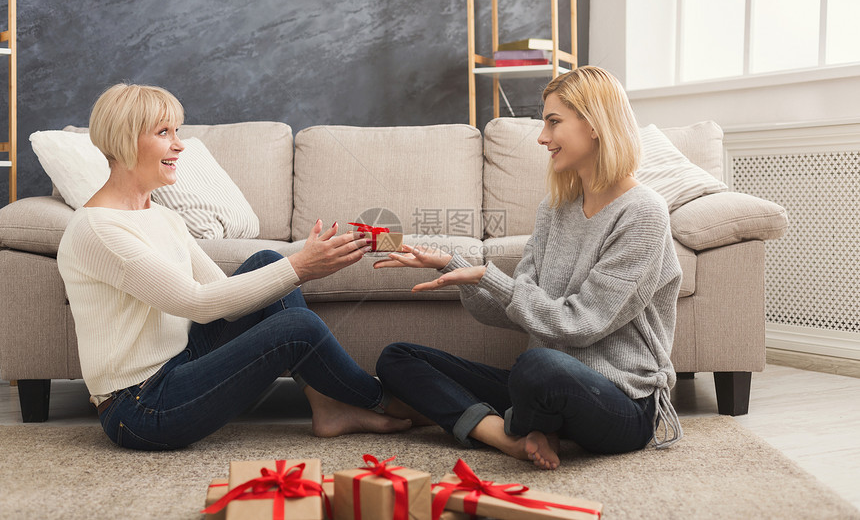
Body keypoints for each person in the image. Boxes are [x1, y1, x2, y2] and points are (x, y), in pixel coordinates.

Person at [57, 83, 411, 451]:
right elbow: (199, 304)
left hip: (179, 361)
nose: (180, 144)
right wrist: (301, 267)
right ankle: (384, 400)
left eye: (178, 130)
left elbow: (222, 298)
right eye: (164, 133)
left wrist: (296, 266)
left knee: (266, 263)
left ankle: (328, 407)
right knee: (297, 326)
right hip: (140, 406)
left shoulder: (161, 215)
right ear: (126, 141)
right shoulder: (98, 230)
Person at [374, 66, 683, 470]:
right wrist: (455, 266)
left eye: (553, 123)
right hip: (546, 389)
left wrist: (488, 276)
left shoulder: (643, 212)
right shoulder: (553, 210)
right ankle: (509, 435)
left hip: (620, 403)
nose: (542, 137)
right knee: (396, 359)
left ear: (594, 125)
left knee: (537, 367)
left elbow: (583, 323)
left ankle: (515, 420)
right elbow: (517, 311)